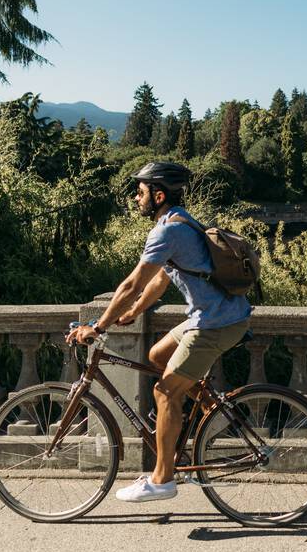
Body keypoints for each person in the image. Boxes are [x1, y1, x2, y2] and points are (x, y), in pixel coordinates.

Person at [65, 161, 252, 503]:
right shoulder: (179, 220)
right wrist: (135, 311)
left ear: (159, 194)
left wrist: (98, 326)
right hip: (215, 315)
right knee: (156, 356)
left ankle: (163, 479)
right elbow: (163, 277)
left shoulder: (167, 230)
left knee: (164, 393)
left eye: (140, 193)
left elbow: (132, 283)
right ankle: (214, 413)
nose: (136, 199)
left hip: (215, 322)